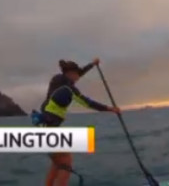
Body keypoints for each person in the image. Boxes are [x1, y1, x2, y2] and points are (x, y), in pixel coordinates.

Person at [32, 57, 120, 186]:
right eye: (77, 74)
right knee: (65, 163)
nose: (78, 77)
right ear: (71, 73)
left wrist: (92, 65)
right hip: (49, 128)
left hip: (42, 126)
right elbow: (88, 103)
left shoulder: (57, 80)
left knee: (57, 163)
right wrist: (110, 109)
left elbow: (77, 74)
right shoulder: (70, 89)